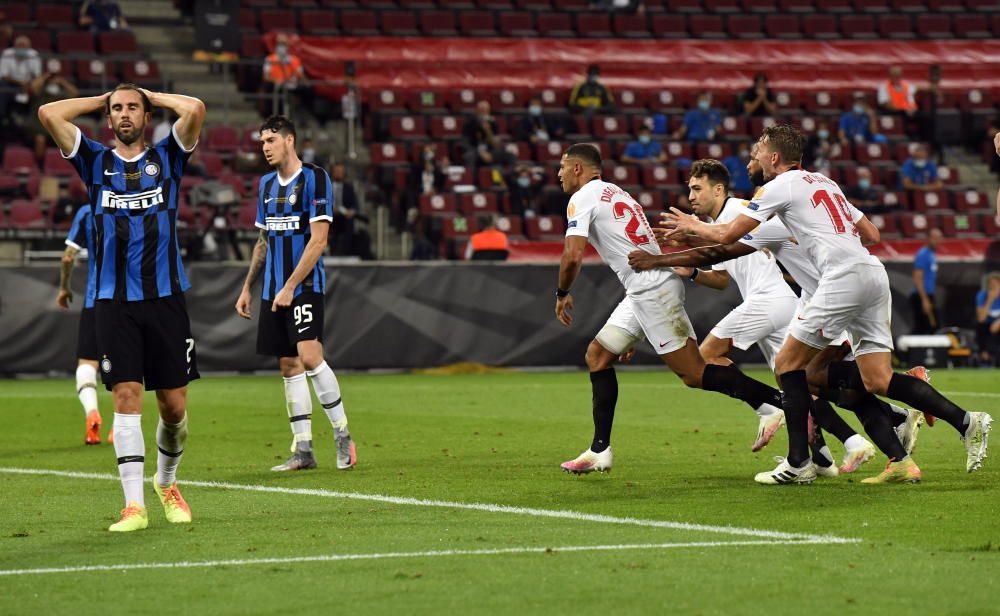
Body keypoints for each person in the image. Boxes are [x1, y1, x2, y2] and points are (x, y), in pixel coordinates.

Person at [662, 124, 992, 483]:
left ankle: (799, 464)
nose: (753, 156)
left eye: (759, 150)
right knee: (875, 378)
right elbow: (872, 235)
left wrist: (690, 226)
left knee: (788, 366)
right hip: (871, 273)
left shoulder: (778, 187)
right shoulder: (825, 183)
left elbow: (726, 236)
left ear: (775, 157)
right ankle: (965, 422)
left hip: (839, 280)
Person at [554, 144, 799, 474]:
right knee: (598, 356)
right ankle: (600, 450)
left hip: (651, 290)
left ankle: (779, 403)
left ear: (579, 170)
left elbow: (572, 255)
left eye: (563, 167)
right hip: (644, 290)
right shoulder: (616, 193)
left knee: (694, 374)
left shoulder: (580, 199)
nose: (559, 173)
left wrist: (562, 292)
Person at [38, 83, 205, 530]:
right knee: (127, 397)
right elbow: (49, 113)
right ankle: (134, 505)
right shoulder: (93, 161)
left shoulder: (168, 157)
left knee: (173, 406)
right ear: (108, 119)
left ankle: (166, 483)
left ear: (146, 115)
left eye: (133, 108)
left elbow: (196, 108)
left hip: (166, 296)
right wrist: (99, 101)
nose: (124, 114)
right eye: (117, 109)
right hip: (113, 299)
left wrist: (151, 94)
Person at [235, 115, 357, 474]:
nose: (265, 148)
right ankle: (303, 449)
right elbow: (263, 241)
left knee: (309, 356)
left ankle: (342, 436)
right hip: (273, 290)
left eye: (271, 140)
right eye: (261, 142)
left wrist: (290, 286)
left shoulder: (315, 178)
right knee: (287, 365)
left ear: (290, 140)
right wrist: (247, 287)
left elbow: (319, 240)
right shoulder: (265, 185)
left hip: (303, 287)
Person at [56, 203, 108, 446]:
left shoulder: (87, 212)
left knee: (87, 363)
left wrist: (64, 288)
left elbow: (67, 258)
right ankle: (119, 427)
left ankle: (91, 413)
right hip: (131, 299)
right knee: (126, 366)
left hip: (94, 299)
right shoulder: (135, 202)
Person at [0, 35, 42, 139]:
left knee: (38, 88)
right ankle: (2, 116)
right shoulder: (7, 54)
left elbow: (37, 75)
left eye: (24, 46)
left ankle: (34, 120)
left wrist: (29, 84)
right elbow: (3, 75)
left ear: (29, 47)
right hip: (10, 83)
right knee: (2, 86)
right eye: (19, 45)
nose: (22, 48)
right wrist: (19, 82)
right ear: (14, 46)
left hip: (28, 84)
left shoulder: (33, 55)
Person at [262, 33, 307, 117]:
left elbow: (302, 77)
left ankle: (301, 118)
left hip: (291, 86)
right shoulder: (270, 59)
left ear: (288, 46)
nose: (282, 47)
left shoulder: (295, 60)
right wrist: (276, 80)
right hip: (276, 86)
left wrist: (295, 78)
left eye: (284, 44)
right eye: (280, 44)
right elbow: (266, 77)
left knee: (305, 91)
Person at [461, 100, 511, 171]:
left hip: (489, 150)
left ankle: (505, 178)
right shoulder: (470, 123)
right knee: (469, 156)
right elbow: (465, 142)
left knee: (509, 155)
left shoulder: (493, 123)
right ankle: (472, 179)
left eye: (487, 111)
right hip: (474, 150)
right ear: (477, 111)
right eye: (482, 111)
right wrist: (480, 152)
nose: (485, 113)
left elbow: (496, 144)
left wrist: (488, 131)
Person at [911, 228, 942, 335]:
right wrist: (924, 299)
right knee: (924, 327)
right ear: (928, 239)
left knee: (931, 326)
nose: (937, 241)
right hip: (921, 295)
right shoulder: (923, 254)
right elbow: (917, 277)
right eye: (934, 238)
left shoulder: (931, 255)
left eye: (939, 238)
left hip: (929, 295)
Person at [329, 163, 359, 255]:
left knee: (349, 222)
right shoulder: (325, 186)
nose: (338, 174)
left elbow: (355, 205)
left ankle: (345, 252)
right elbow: (316, 201)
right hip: (328, 215)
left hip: (344, 216)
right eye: (336, 171)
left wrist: (351, 211)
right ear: (332, 173)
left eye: (340, 172)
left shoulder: (349, 188)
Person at [976, 272, 1000, 366]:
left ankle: (992, 355)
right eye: (991, 284)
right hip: (987, 325)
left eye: (996, 284)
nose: (993, 287)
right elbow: (981, 318)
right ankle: (985, 356)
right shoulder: (982, 295)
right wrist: (990, 300)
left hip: (997, 325)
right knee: (981, 327)